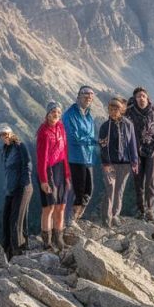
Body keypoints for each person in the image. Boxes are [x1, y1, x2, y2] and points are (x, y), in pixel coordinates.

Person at [126, 87, 154, 223]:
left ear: (147, 98)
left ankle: (150, 211)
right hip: (136, 152)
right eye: (138, 96)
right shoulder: (129, 113)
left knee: (151, 181)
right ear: (135, 99)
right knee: (138, 182)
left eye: (143, 96)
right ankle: (141, 210)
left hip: (153, 152)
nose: (141, 98)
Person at [36, 101, 71, 251]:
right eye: (52, 112)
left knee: (61, 206)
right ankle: (47, 241)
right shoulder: (43, 132)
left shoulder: (61, 128)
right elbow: (41, 158)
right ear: (47, 114)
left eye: (57, 112)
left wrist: (68, 174)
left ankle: (59, 239)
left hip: (61, 170)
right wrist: (43, 180)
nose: (55, 114)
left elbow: (65, 153)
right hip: (48, 170)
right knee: (49, 207)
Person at [98, 97, 139, 227]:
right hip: (109, 164)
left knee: (119, 190)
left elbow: (132, 143)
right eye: (111, 108)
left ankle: (115, 215)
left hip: (125, 164)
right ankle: (106, 219)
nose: (113, 111)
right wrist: (106, 163)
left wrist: (134, 161)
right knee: (110, 188)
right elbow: (102, 147)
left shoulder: (128, 124)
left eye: (116, 108)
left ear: (121, 109)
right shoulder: (105, 127)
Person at [62, 85, 98, 224]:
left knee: (88, 190)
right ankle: (69, 220)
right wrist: (94, 141)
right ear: (78, 96)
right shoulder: (69, 115)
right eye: (85, 94)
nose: (88, 96)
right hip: (74, 157)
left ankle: (75, 218)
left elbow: (87, 135)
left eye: (91, 94)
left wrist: (93, 143)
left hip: (88, 158)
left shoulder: (89, 115)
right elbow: (73, 138)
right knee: (78, 190)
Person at [0, 123, 33, 260]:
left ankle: (18, 252)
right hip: (10, 189)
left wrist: (25, 183)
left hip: (22, 187)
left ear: (11, 133)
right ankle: (7, 251)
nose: (4, 137)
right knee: (6, 219)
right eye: (1, 135)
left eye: (5, 134)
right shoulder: (5, 149)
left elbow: (28, 164)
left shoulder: (20, 146)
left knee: (16, 220)